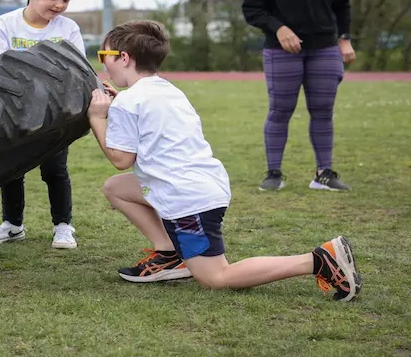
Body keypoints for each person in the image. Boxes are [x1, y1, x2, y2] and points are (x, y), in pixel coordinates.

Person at [88, 20, 361, 301]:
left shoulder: (128, 102)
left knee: (215, 277)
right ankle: (170, 253)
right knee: (116, 188)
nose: (103, 65)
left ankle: (318, 259)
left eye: (103, 56)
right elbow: (144, 118)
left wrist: (98, 117)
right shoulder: (164, 89)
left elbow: (121, 159)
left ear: (123, 58)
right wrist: (119, 103)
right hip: (203, 185)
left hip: (186, 200)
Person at [0, 0, 85, 249]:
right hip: (12, 113)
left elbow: (76, 72)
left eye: (66, 0)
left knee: (55, 171)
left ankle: (63, 227)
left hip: (56, 114)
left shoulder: (69, 29)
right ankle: (13, 225)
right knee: (11, 170)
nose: (60, 5)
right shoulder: (3, 25)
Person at [242, 0, 355, 192]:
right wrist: (278, 28)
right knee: (280, 111)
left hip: (325, 50)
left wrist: (344, 40)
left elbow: (343, 6)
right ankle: (274, 174)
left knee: (322, 111)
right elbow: (252, 9)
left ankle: (324, 175)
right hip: (281, 52)